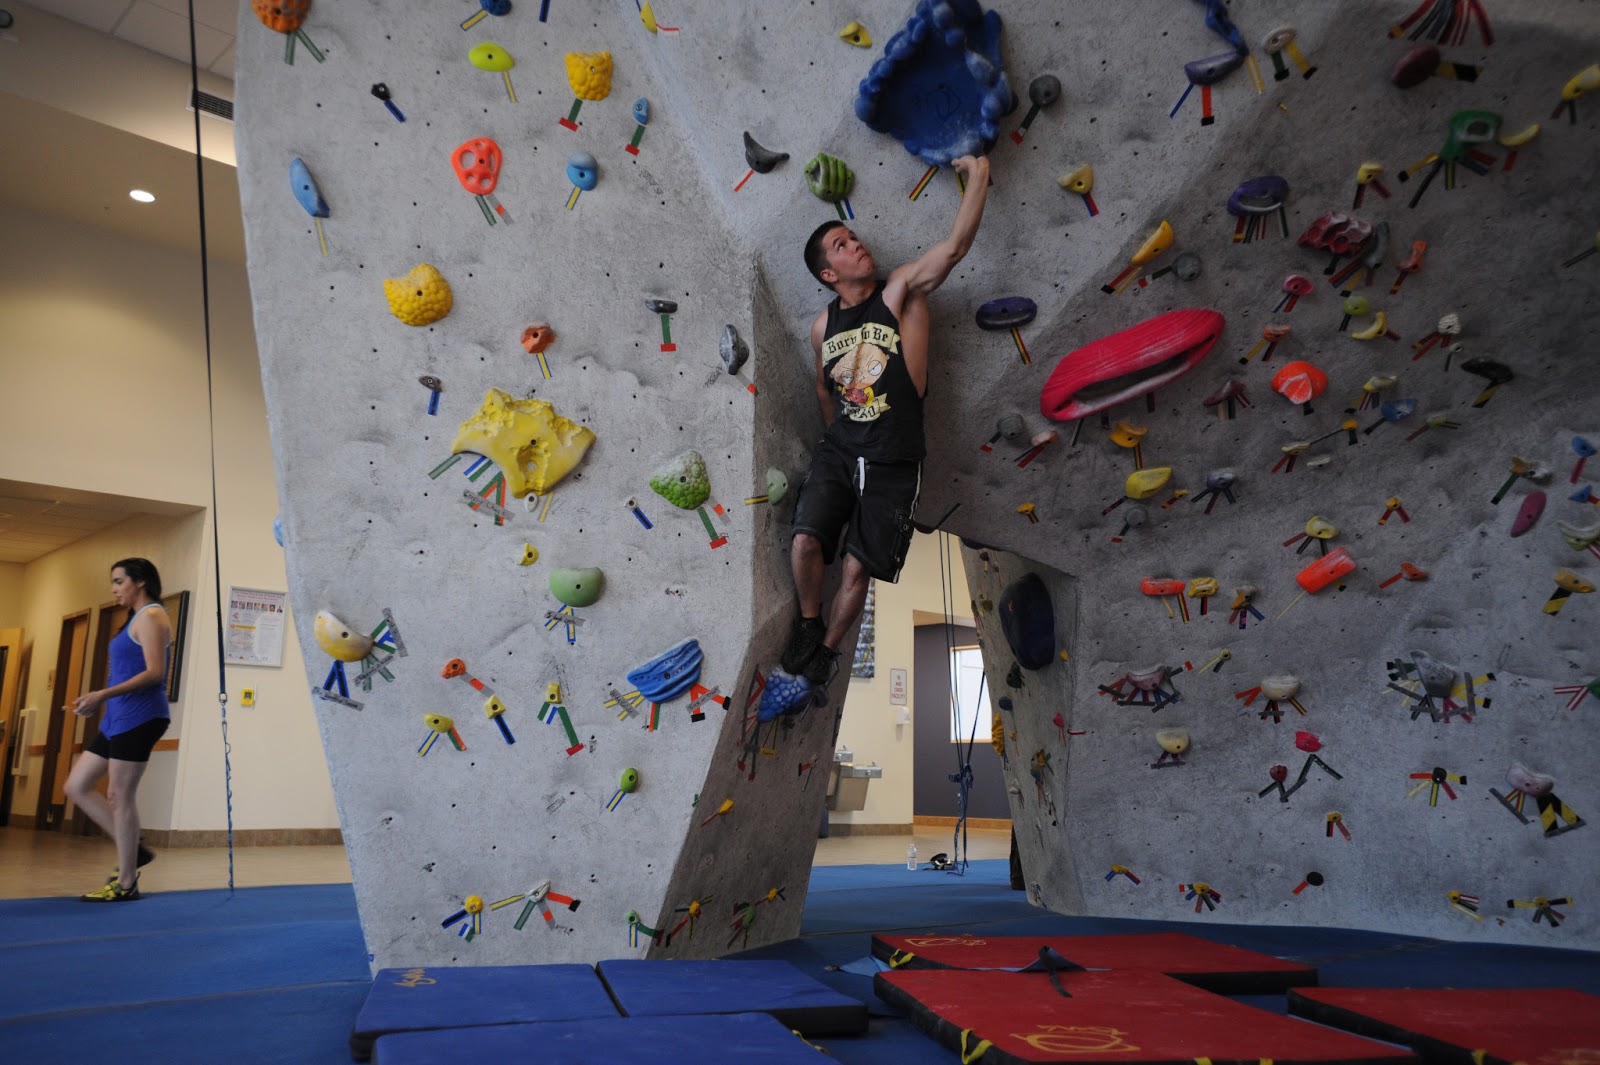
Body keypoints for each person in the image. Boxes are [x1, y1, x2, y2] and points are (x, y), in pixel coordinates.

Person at [780, 153, 992, 706]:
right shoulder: (821, 326)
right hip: (841, 449)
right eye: (842, 246)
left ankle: (825, 653)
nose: (857, 246)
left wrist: (979, 177)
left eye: (853, 238)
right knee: (804, 540)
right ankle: (807, 621)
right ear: (829, 274)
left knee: (857, 567)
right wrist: (839, 441)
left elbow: (954, 248)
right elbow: (825, 389)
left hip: (894, 458)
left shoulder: (898, 293)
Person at [64, 558, 172, 901]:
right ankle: (134, 850)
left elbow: (155, 672)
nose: (114, 589)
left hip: (141, 716)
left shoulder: (153, 616)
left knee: (118, 795)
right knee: (77, 786)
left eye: (118, 581)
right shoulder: (135, 619)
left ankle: (127, 883)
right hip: (117, 718)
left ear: (139, 582)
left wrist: (103, 694)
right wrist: (98, 700)